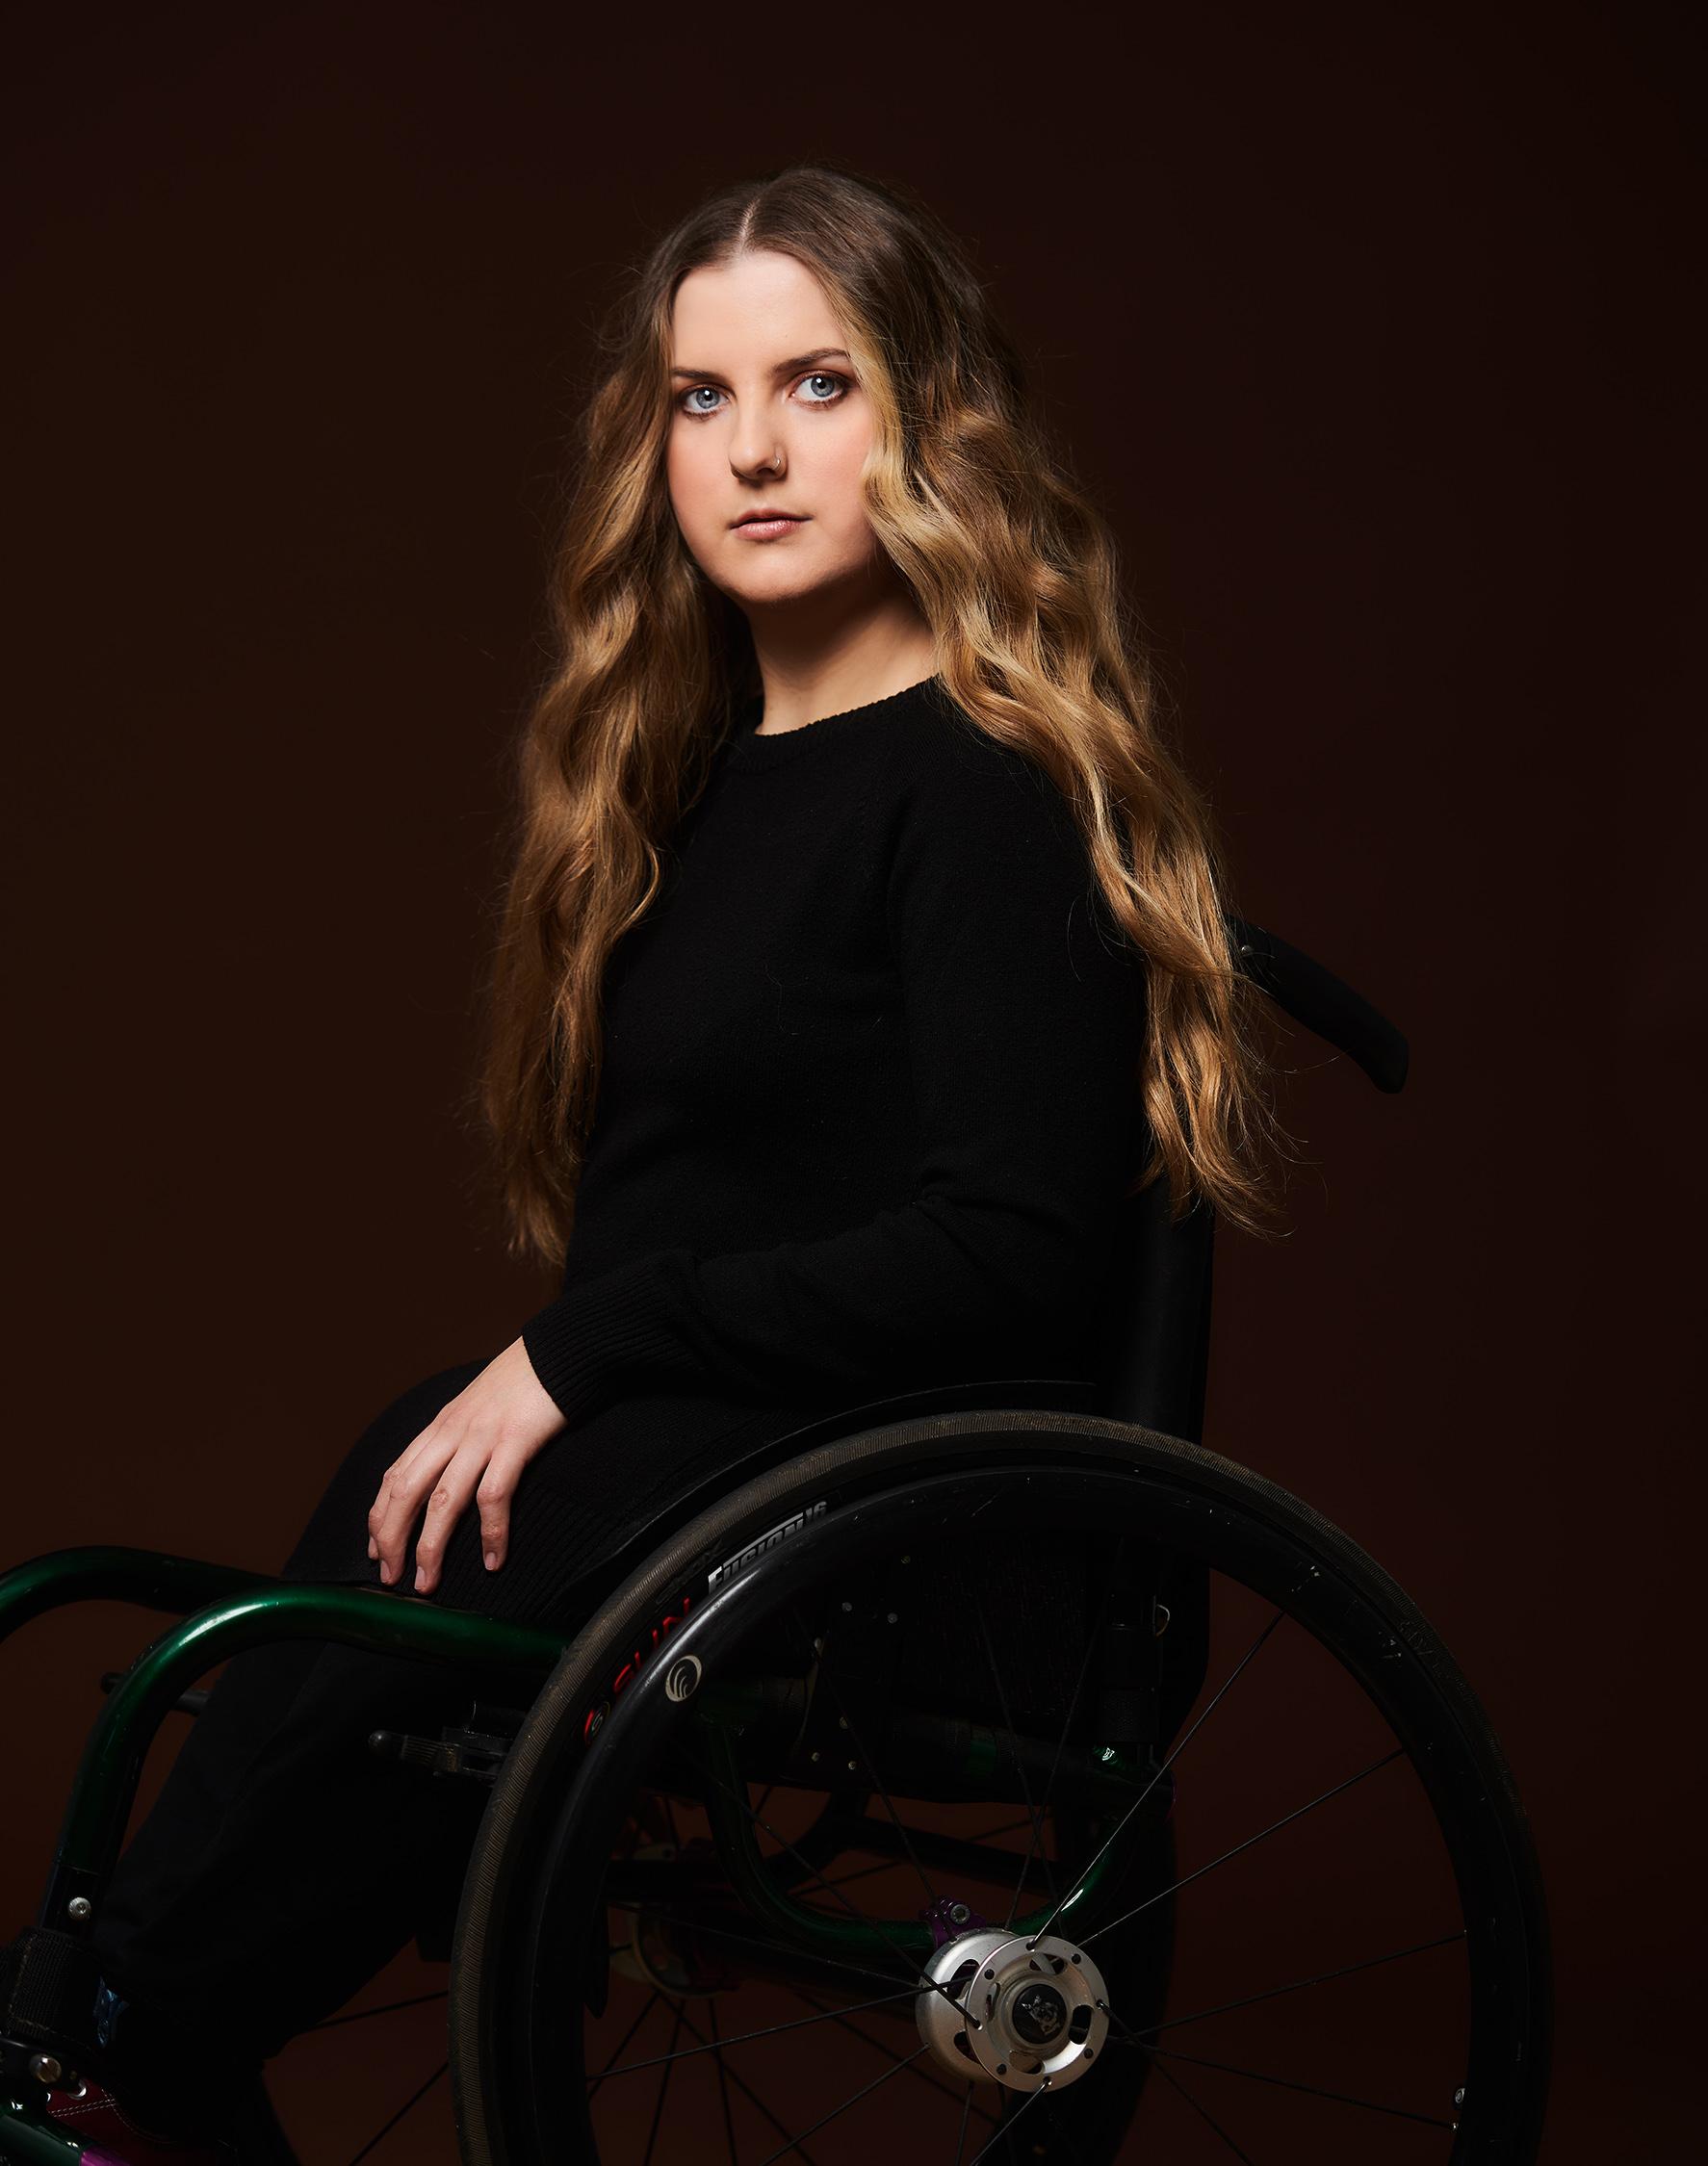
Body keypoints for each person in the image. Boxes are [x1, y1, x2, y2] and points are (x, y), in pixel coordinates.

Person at [20, 161, 1290, 2162]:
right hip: (690, 1472)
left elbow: (1013, 1253)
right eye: (704, 399)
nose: (757, 449)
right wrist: (575, 1373)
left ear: (928, 424)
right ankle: (110, 2022)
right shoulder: (681, 798)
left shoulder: (979, 794)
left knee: (457, 1507)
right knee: (397, 1517)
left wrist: (588, 1352)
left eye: (821, 385)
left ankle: (109, 2033)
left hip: (883, 1522)